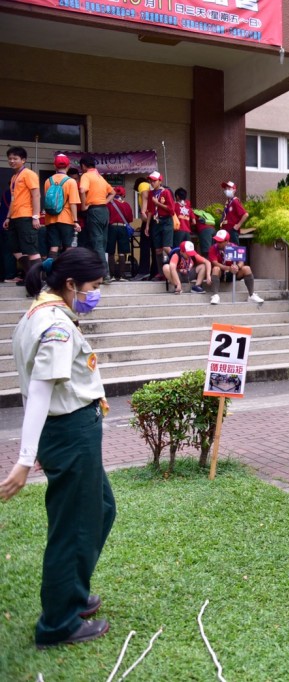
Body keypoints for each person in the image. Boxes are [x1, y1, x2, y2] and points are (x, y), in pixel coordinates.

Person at [1, 248, 113, 648]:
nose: (96, 294)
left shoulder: (37, 314)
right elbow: (41, 388)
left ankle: (73, 592)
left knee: (100, 509)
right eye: (94, 287)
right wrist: (25, 456)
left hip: (68, 430)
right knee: (74, 525)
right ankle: (58, 622)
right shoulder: (55, 326)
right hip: (69, 431)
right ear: (70, 284)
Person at [4, 146, 43, 285]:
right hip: (15, 217)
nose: (12, 161)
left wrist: (35, 216)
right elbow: (14, 199)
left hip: (26, 216)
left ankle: (37, 282)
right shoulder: (15, 176)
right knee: (15, 249)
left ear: (23, 160)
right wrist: (8, 217)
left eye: (15, 158)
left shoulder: (29, 174)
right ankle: (31, 277)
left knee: (31, 249)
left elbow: (36, 195)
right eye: (10, 158)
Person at [78, 157, 114, 283]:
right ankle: (100, 272)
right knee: (102, 243)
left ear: (83, 166)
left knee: (97, 242)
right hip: (104, 211)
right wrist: (104, 201)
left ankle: (105, 274)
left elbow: (82, 189)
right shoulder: (100, 177)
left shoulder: (86, 176)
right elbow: (113, 192)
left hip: (94, 211)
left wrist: (83, 206)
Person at [207, 229, 264, 304]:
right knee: (215, 268)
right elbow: (215, 263)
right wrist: (228, 268)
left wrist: (237, 267)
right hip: (221, 273)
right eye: (217, 241)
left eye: (220, 242)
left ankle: (251, 295)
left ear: (227, 241)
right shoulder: (213, 248)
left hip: (233, 273)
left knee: (247, 268)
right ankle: (215, 295)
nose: (218, 243)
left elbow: (241, 261)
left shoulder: (234, 247)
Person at [42, 154, 80, 258]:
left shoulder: (47, 181)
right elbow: (73, 203)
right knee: (68, 247)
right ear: (68, 166)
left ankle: (51, 272)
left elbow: (48, 200)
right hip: (66, 219)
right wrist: (76, 221)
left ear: (55, 166)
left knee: (54, 247)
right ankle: (67, 273)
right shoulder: (71, 182)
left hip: (51, 219)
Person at [145, 172, 175, 267]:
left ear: (160, 181)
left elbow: (171, 209)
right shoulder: (151, 193)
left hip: (166, 221)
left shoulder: (166, 192)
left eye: (154, 181)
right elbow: (150, 210)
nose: (152, 183)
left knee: (166, 246)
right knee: (158, 249)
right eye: (151, 181)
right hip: (156, 221)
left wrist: (157, 204)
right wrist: (147, 225)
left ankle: (176, 265)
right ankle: (161, 273)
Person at [105, 187, 134, 280]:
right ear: (124, 195)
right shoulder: (126, 205)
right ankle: (122, 275)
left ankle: (112, 275)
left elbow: (106, 217)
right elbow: (130, 219)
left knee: (111, 252)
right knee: (122, 252)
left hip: (111, 228)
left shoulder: (109, 204)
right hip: (123, 228)